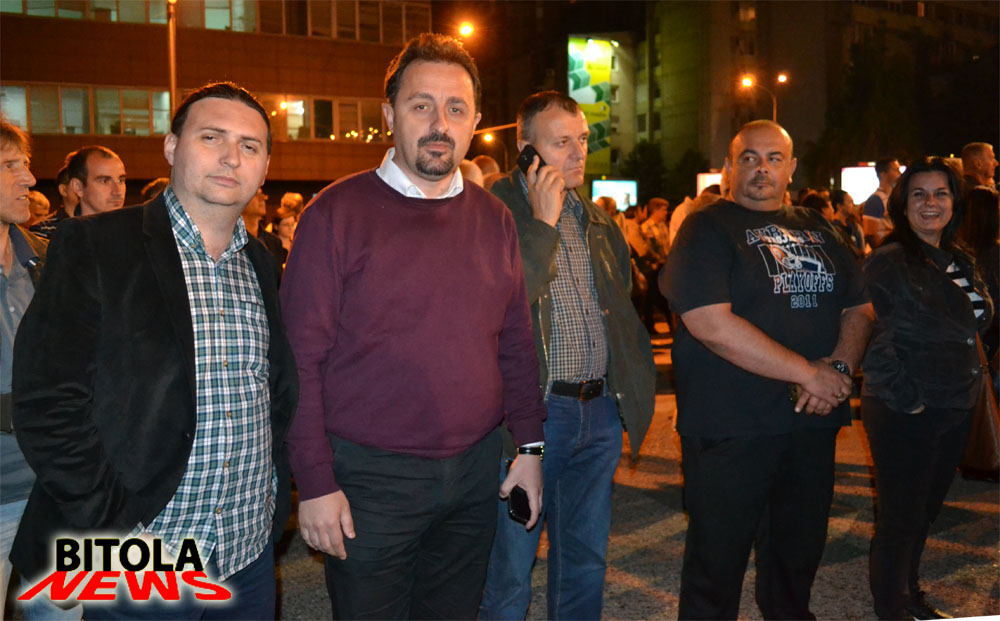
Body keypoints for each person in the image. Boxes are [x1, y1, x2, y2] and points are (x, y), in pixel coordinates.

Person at [279, 34, 545, 620]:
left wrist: (529, 448)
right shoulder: (335, 215)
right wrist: (315, 482)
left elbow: (516, 345)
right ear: (389, 114)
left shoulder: (495, 219)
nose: (439, 124)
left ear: (475, 123)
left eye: (456, 108)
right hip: (369, 481)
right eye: (421, 105)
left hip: (475, 474)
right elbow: (299, 363)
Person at [10, 82, 299, 620]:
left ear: (264, 167)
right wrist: (114, 526)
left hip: (246, 551)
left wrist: (273, 503)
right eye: (211, 137)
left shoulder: (260, 262)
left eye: (250, 146)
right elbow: (46, 402)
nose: (231, 157)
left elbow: (274, 392)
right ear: (171, 147)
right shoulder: (96, 245)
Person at [662, 120, 874, 620]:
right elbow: (709, 323)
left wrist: (838, 367)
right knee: (716, 567)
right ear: (728, 168)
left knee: (797, 561)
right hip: (730, 427)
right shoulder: (706, 227)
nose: (762, 168)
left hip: (810, 423)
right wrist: (809, 374)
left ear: (791, 167)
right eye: (749, 158)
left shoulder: (818, 225)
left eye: (774, 158)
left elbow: (860, 307)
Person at [478, 90, 655, 621]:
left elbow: (621, 306)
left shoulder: (597, 219)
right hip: (530, 416)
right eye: (562, 143)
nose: (579, 153)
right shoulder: (491, 212)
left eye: (582, 139)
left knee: (585, 561)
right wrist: (542, 223)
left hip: (597, 410)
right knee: (510, 571)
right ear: (525, 149)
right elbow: (494, 308)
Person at [860, 157, 994, 620]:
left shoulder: (958, 257)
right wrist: (911, 403)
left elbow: (972, 323)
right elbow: (875, 342)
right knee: (900, 517)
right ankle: (892, 606)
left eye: (941, 193)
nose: (930, 203)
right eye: (919, 194)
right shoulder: (890, 261)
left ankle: (908, 591)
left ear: (954, 202)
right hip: (907, 408)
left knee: (925, 512)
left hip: (954, 403)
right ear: (902, 204)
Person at [0, 119, 82, 621]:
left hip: (54, 491)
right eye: (10, 166)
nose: (29, 179)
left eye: (25, 165)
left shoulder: (47, 260)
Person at [65, 145, 127, 216]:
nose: (118, 192)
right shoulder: (60, 223)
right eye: (105, 181)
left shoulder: (135, 222)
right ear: (78, 187)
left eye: (121, 181)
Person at [29, 165, 76, 239]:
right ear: (63, 190)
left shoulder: (93, 224)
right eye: (77, 184)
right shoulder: (43, 228)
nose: (83, 189)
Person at [863, 157, 901, 247]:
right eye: (895, 170)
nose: (899, 173)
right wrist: (882, 252)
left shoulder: (896, 197)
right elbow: (870, 235)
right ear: (883, 174)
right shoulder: (875, 200)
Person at [830, 189, 867, 258]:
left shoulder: (852, 225)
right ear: (839, 206)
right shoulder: (833, 227)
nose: (853, 205)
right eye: (850, 202)